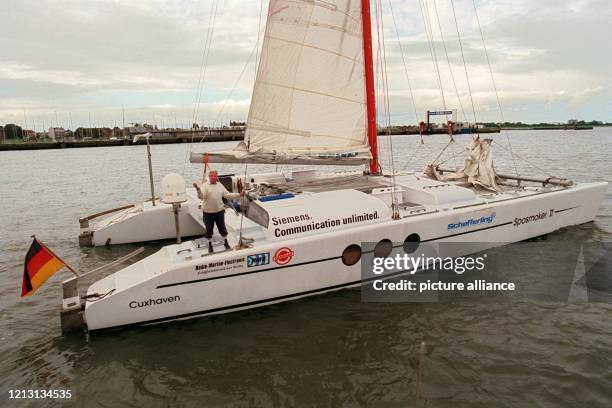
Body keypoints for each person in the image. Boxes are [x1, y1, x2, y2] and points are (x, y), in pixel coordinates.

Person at [193, 170, 244, 252]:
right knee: (209, 230)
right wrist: (198, 189)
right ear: (209, 177)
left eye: (215, 176)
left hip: (219, 212)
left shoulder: (220, 185)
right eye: (212, 176)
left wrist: (239, 195)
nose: (213, 177)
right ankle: (209, 244)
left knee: (222, 228)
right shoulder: (205, 186)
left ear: (217, 177)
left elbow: (227, 195)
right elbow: (201, 196)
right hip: (208, 213)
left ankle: (225, 242)